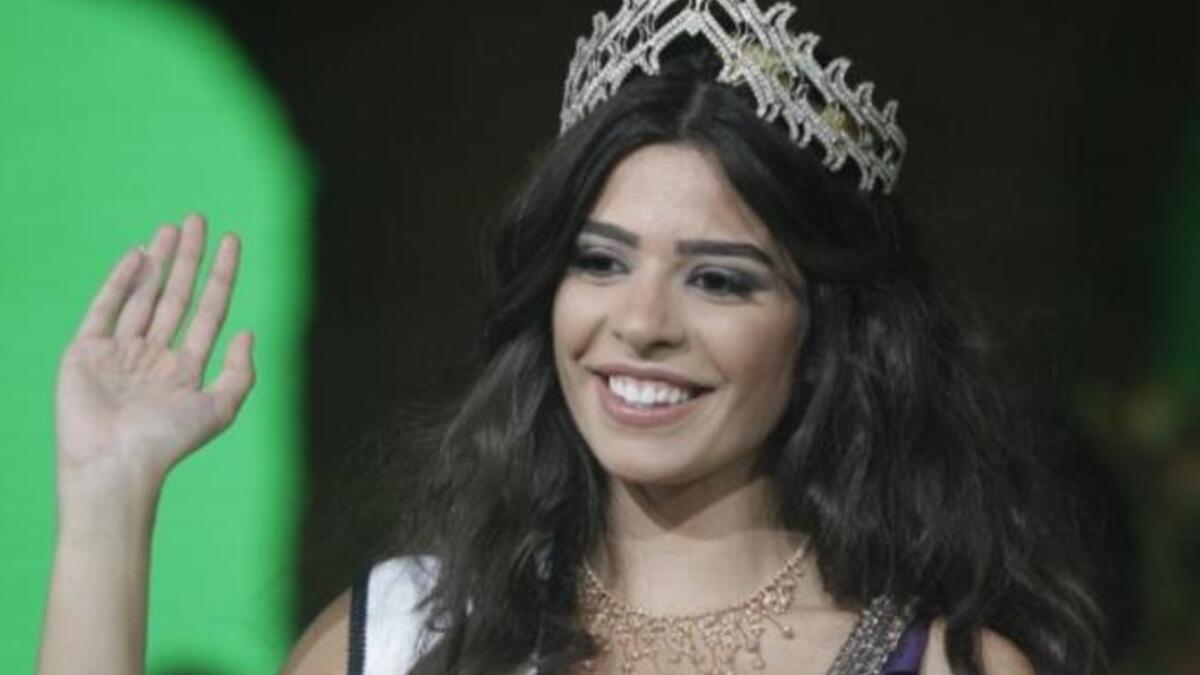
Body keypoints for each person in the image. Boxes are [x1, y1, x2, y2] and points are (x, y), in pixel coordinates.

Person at [38, 1, 1109, 674]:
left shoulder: (946, 665)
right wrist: (107, 500)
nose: (637, 323)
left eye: (719, 280)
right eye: (597, 261)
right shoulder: (405, 637)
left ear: (826, 329)